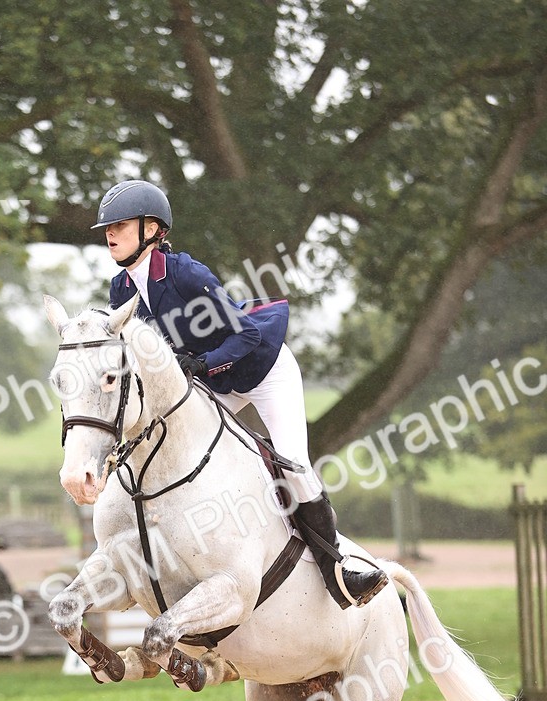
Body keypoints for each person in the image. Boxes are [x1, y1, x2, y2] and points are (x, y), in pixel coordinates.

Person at [92, 179, 388, 610]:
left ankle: (338, 570)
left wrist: (202, 364)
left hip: (263, 369)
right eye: (107, 227)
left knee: (293, 462)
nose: (110, 234)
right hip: (214, 380)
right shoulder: (121, 290)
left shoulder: (187, 274)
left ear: (152, 229)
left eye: (120, 224)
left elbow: (245, 334)